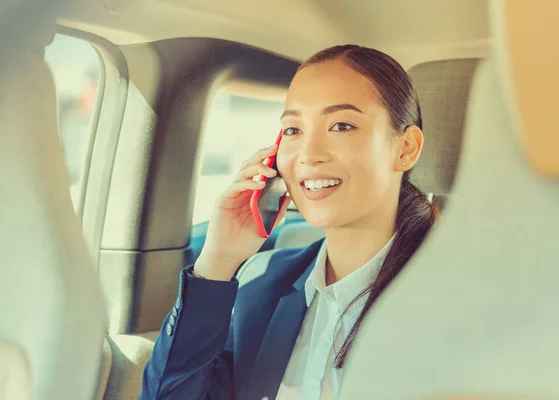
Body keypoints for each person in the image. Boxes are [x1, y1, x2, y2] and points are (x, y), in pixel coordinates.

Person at [140, 44, 439, 400]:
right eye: (293, 130)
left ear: (405, 148)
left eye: (341, 125)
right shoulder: (262, 282)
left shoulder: (459, 293)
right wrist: (218, 260)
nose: (309, 154)